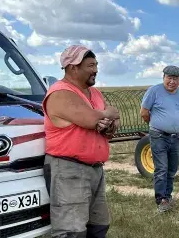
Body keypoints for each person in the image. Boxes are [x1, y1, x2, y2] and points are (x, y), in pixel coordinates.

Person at [42, 45, 120, 238]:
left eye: (96, 65)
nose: (96, 70)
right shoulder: (60, 93)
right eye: (90, 66)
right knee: (72, 231)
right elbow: (91, 119)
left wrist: (107, 121)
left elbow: (113, 120)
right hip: (69, 169)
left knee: (99, 226)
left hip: (95, 169)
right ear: (73, 68)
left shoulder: (95, 93)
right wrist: (106, 114)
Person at [140, 65, 179, 213]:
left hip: (175, 137)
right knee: (161, 169)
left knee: (172, 169)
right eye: (169, 78)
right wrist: (157, 124)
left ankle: (168, 196)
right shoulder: (154, 91)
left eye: (175, 79)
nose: (172, 81)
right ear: (164, 77)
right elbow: (144, 112)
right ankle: (161, 200)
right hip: (158, 135)